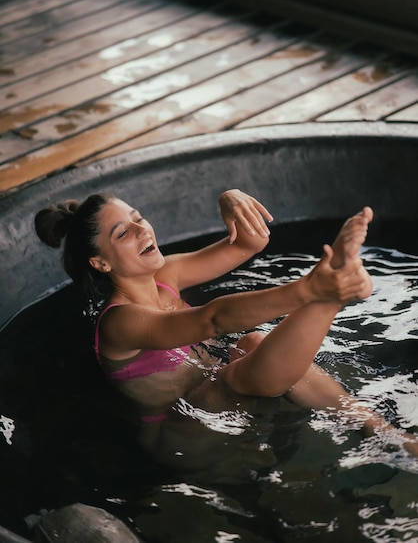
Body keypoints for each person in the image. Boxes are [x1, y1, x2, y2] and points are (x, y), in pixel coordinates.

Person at [35, 189, 418, 465]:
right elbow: (212, 319)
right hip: (180, 435)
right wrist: (305, 289)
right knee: (230, 377)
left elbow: (250, 241)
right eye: (123, 233)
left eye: (138, 218)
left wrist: (230, 197)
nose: (141, 230)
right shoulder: (119, 321)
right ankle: (326, 295)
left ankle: (384, 433)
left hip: (213, 391)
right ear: (101, 264)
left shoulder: (167, 274)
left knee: (253, 342)